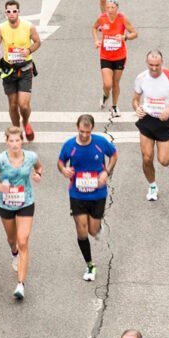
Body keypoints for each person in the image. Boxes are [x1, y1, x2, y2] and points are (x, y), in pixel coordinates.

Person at [60, 111, 117, 283]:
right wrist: (64, 169)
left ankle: (97, 228)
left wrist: (106, 172)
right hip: (77, 193)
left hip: (98, 193)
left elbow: (113, 155)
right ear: (77, 128)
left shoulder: (100, 143)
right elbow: (60, 161)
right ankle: (90, 265)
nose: (85, 135)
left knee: (93, 230)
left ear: (92, 129)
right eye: (82, 132)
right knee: (82, 230)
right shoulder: (69, 145)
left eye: (88, 132)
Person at [0, 127, 40, 300]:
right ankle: (14, 254)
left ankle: (20, 284)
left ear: (22, 141)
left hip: (25, 202)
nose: (14, 144)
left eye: (17, 140)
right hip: (5, 204)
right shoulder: (0, 160)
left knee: (23, 241)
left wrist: (38, 175)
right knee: (12, 240)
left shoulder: (31, 157)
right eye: (11, 141)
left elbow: (39, 168)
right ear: (6, 141)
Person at [132, 50, 169, 199]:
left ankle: (167, 154)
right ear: (146, 62)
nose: (154, 68)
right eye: (151, 65)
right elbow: (135, 99)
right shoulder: (141, 78)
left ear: (162, 62)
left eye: (157, 65)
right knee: (147, 157)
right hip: (147, 120)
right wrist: (137, 108)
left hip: (165, 121)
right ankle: (152, 186)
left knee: (164, 161)